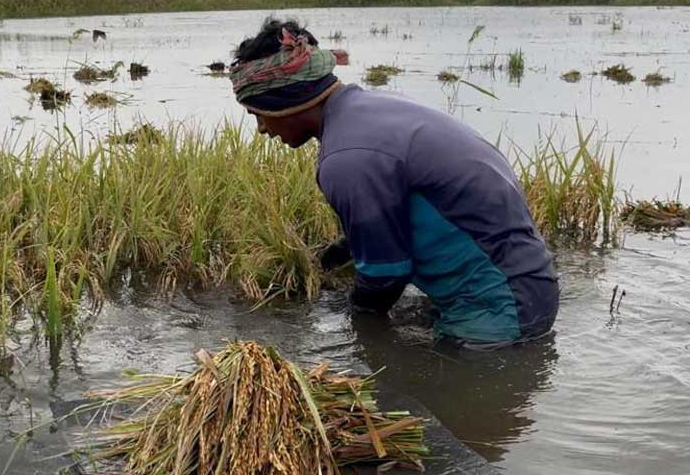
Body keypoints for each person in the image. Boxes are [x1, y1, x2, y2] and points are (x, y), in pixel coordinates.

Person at [229, 18, 559, 348]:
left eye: (259, 114)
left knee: (420, 392)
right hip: (530, 280)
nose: (262, 129)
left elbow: (385, 276)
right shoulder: (376, 108)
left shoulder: (346, 158)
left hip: (501, 309)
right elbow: (419, 198)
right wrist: (350, 245)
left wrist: (354, 325)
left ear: (284, 100)